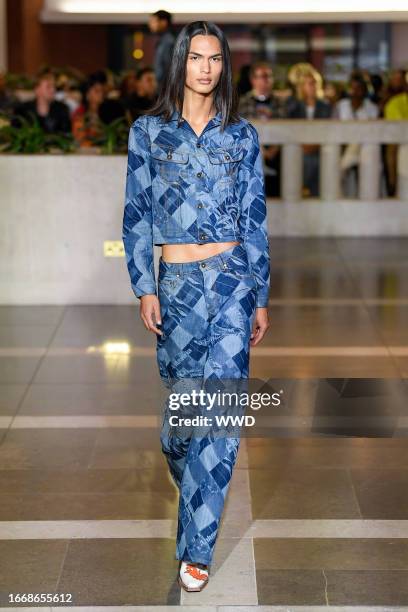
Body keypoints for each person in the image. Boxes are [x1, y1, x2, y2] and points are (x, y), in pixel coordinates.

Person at [122, 20, 270, 592]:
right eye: (196, 58)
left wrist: (260, 292)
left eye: (214, 58)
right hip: (178, 281)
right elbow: (136, 211)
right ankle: (185, 469)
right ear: (178, 63)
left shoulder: (243, 136)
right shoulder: (150, 133)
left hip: (232, 278)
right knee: (185, 421)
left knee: (221, 414)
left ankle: (198, 550)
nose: (205, 68)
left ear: (223, 65)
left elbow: (256, 216)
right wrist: (145, 285)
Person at [239, 61, 286, 197]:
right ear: (253, 80)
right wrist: (260, 149)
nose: (267, 80)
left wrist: (274, 149)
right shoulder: (243, 102)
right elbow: (242, 129)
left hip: (276, 151)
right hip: (252, 150)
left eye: (269, 76)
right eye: (263, 76)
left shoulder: (279, 103)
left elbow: (285, 128)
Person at [288, 72, 332, 197]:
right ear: (302, 86)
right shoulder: (294, 106)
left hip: (319, 148)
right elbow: (291, 130)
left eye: (315, 83)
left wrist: (314, 145)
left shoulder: (325, 106)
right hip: (299, 148)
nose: (312, 86)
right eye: (309, 84)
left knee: (317, 161)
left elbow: (327, 130)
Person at [334, 75, 379, 197]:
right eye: (353, 88)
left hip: (365, 147)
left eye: (359, 88)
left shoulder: (372, 108)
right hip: (343, 145)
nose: (356, 92)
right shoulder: (341, 105)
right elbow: (335, 128)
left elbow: (373, 131)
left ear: (365, 90)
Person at [12, 69, 71, 134]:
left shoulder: (62, 109)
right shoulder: (22, 110)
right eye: (48, 87)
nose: (53, 90)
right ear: (37, 89)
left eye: (54, 86)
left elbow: (66, 135)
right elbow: (16, 134)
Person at [71, 74, 105, 147]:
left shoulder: (107, 111)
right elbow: (79, 140)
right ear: (87, 95)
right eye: (97, 91)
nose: (101, 94)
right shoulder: (79, 113)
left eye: (102, 90)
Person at [148, 9, 175, 90]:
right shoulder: (164, 40)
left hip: (165, 88)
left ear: (163, 22)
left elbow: (168, 68)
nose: (150, 24)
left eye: (153, 21)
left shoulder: (168, 41)